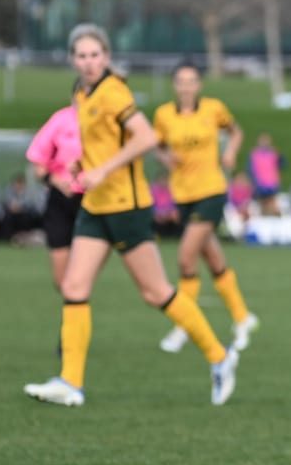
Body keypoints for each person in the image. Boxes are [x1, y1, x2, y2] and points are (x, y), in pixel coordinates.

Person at [23, 23, 239, 407]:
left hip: (126, 206)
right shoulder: (82, 91)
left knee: (156, 292)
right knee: (74, 288)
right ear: (73, 59)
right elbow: (98, 141)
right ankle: (71, 382)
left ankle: (220, 357)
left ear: (106, 56)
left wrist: (104, 169)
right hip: (95, 206)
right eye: (81, 56)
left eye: (95, 55)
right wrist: (80, 163)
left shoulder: (113, 91)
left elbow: (145, 137)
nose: (88, 62)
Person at [152, 61, 258, 354]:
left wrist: (231, 153)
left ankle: (183, 326)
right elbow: (156, 145)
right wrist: (165, 160)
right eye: (181, 81)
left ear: (200, 85)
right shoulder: (163, 115)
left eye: (191, 81)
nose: (186, 86)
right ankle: (242, 316)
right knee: (213, 260)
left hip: (211, 190)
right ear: (175, 85)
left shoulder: (214, 109)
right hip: (182, 195)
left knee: (186, 258)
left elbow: (236, 132)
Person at [26, 102, 84, 280]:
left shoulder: (105, 119)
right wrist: (57, 182)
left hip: (92, 199)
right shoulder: (61, 120)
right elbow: (38, 163)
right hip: (61, 198)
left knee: (81, 276)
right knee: (62, 278)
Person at [247, 132, 284, 216]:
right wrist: (254, 183)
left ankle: (274, 220)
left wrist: (279, 156)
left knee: (272, 203)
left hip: (272, 183)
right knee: (263, 205)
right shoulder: (254, 154)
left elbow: (281, 165)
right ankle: (265, 220)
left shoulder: (273, 153)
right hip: (260, 184)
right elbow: (250, 169)